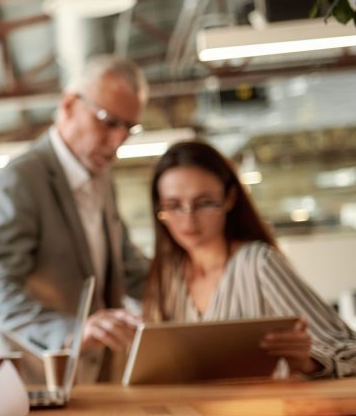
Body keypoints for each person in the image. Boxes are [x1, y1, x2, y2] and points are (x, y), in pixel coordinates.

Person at [0, 55, 151, 381]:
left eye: (129, 128)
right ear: (69, 105)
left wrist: (202, 275)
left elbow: (129, 268)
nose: (118, 141)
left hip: (79, 383)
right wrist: (73, 330)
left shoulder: (102, 182)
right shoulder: (20, 180)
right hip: (21, 380)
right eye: (108, 121)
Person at [144, 140, 356, 378]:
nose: (188, 219)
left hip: (264, 412)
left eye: (204, 203)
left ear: (230, 199)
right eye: (173, 206)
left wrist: (308, 360)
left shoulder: (258, 263)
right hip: (189, 413)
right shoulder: (167, 276)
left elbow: (349, 351)